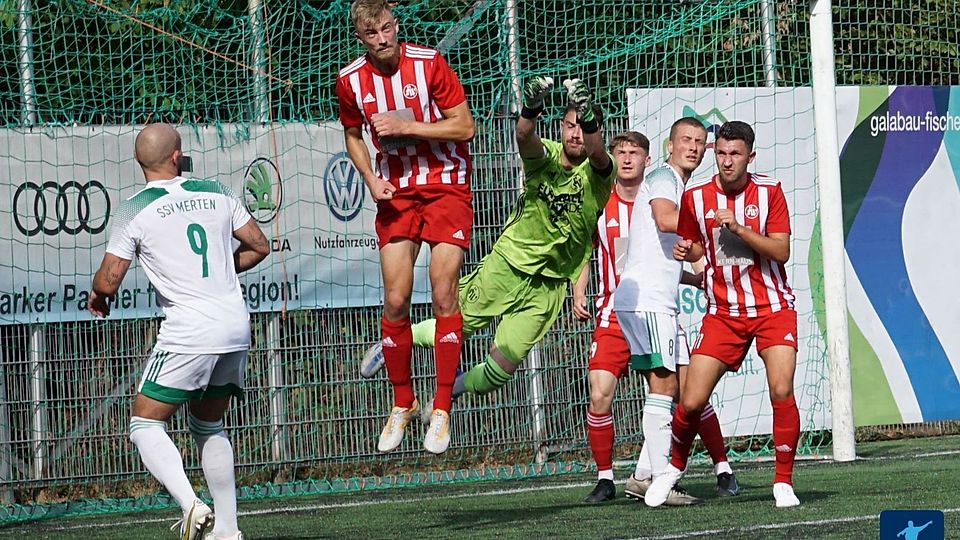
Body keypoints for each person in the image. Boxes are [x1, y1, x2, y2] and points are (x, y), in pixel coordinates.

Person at [362, 77, 616, 421]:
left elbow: (598, 154)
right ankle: (391, 343)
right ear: (560, 127)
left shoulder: (601, 172)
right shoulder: (548, 158)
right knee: (454, 324)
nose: (575, 134)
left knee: (501, 370)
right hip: (508, 264)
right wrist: (530, 107)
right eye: (570, 125)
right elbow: (525, 137)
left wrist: (589, 119)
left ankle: (450, 391)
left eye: (582, 127)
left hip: (549, 286)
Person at [88, 123, 270, 540]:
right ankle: (228, 531)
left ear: (140, 162)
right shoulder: (218, 191)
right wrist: (224, 271)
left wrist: (98, 296)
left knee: (144, 425)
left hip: (190, 330)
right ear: (177, 156)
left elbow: (109, 281)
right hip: (234, 324)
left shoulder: (134, 208)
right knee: (209, 427)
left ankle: (191, 506)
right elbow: (260, 245)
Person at [336, 0, 476, 454]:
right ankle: (403, 403)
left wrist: (408, 126)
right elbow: (353, 135)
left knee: (441, 291)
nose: (384, 39)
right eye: (373, 33)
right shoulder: (349, 80)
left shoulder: (429, 63)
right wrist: (371, 178)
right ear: (361, 38)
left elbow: (465, 127)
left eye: (389, 28)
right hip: (395, 189)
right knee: (395, 299)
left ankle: (441, 409)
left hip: (446, 185)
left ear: (397, 25)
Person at [579, 120, 738, 505]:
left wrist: (695, 274)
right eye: (686, 140)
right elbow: (668, 219)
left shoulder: (675, 181)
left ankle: (648, 473)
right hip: (648, 302)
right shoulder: (666, 177)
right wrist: (709, 228)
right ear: (670, 145)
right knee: (663, 387)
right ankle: (657, 478)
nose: (694, 148)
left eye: (701, 143)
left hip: (649, 299)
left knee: (683, 388)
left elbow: (660, 247)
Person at [644, 120, 801, 508]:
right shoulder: (695, 197)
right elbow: (696, 248)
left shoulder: (770, 192)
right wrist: (688, 253)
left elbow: (780, 252)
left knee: (781, 389)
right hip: (723, 312)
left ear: (751, 156)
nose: (727, 161)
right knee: (692, 401)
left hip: (772, 308)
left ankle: (783, 481)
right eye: (722, 153)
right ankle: (673, 468)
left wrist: (741, 229)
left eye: (735, 154)